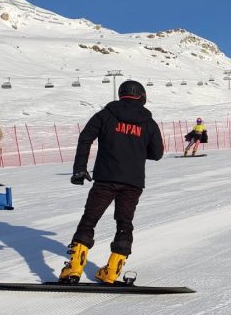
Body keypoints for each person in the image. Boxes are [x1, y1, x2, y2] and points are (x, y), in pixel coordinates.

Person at [59, 80, 164, 284]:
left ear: (121, 94)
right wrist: (136, 149)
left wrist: (79, 169)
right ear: (142, 96)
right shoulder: (148, 123)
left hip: (105, 178)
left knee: (90, 219)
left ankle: (74, 269)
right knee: (124, 222)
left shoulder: (106, 114)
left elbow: (85, 138)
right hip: (133, 182)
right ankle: (112, 270)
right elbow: (157, 153)